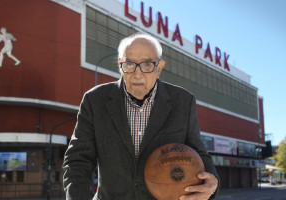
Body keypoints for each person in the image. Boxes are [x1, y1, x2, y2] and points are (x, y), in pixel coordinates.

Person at [63, 33, 219, 200]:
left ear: (159, 67)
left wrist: (212, 183)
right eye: (129, 64)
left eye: (147, 65)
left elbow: (200, 155)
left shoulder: (183, 102)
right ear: (120, 65)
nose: (137, 74)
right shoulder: (94, 100)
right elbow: (77, 161)